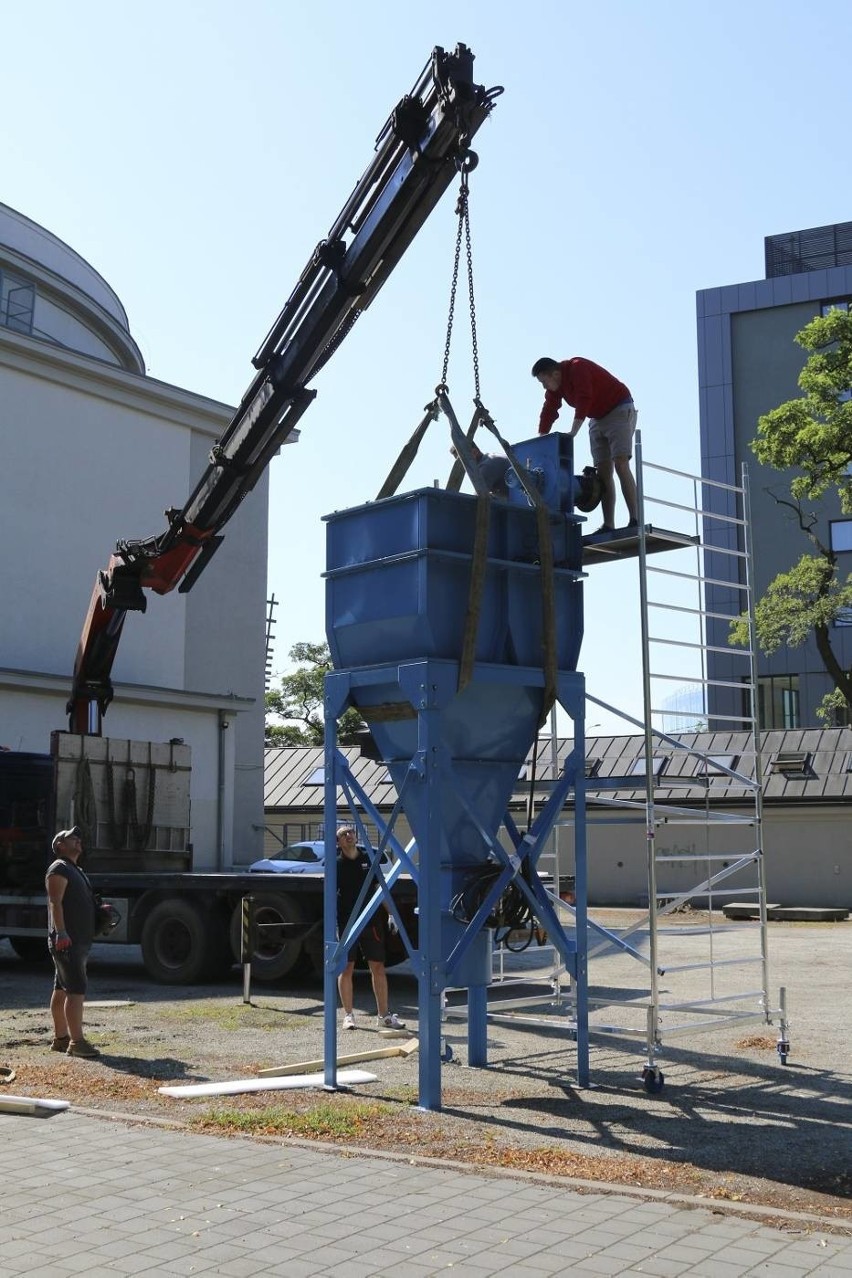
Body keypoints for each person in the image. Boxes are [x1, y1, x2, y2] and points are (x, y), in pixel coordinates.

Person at [532, 355, 638, 532]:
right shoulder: (555, 389)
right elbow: (549, 410)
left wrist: (573, 431)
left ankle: (635, 518)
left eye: (544, 381)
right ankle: (608, 524)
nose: (544, 386)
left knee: (621, 463)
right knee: (604, 473)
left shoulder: (577, 367)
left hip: (618, 408)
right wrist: (541, 437)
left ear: (555, 374)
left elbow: (584, 397)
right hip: (597, 417)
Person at [335, 825, 406, 1031]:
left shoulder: (368, 859)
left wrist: (391, 913)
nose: (349, 836)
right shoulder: (336, 865)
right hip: (347, 922)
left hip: (371, 922)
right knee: (346, 967)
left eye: (351, 832)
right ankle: (348, 1015)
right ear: (338, 842)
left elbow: (379, 888)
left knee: (378, 966)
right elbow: (331, 894)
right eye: (343, 834)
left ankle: (383, 1015)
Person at [45, 825, 99, 1058]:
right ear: (59, 846)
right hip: (69, 941)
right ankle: (76, 1042)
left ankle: (60, 1038)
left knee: (62, 989)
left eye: (77, 837)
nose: (77, 839)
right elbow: (55, 903)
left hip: (75, 939)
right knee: (76, 990)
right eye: (71, 838)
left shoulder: (75, 869)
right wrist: (62, 933)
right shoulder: (59, 868)